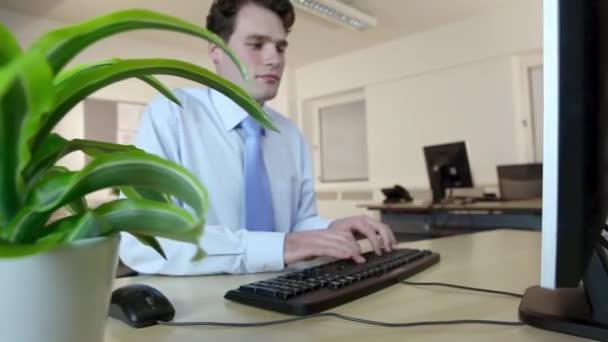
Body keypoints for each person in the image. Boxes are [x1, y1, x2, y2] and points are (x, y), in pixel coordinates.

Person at [118, 0, 396, 275]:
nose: (274, 59)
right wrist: (279, 246)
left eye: (280, 47)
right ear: (216, 49)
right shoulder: (173, 112)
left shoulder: (288, 133)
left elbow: (297, 223)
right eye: (256, 44)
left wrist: (329, 229)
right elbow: (143, 239)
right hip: (200, 307)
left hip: (288, 296)